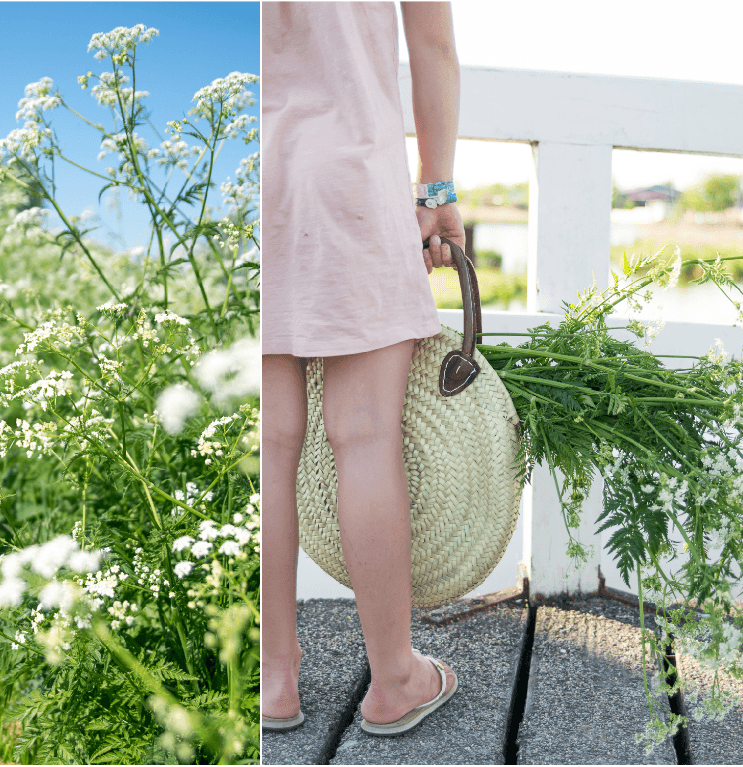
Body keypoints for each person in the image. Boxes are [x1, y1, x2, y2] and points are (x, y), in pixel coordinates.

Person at [261, 1, 465, 736]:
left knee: (267, 441)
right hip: (347, 171)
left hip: (235, 163)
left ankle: (274, 676)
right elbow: (432, 43)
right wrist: (436, 187)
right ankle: (394, 677)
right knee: (365, 433)